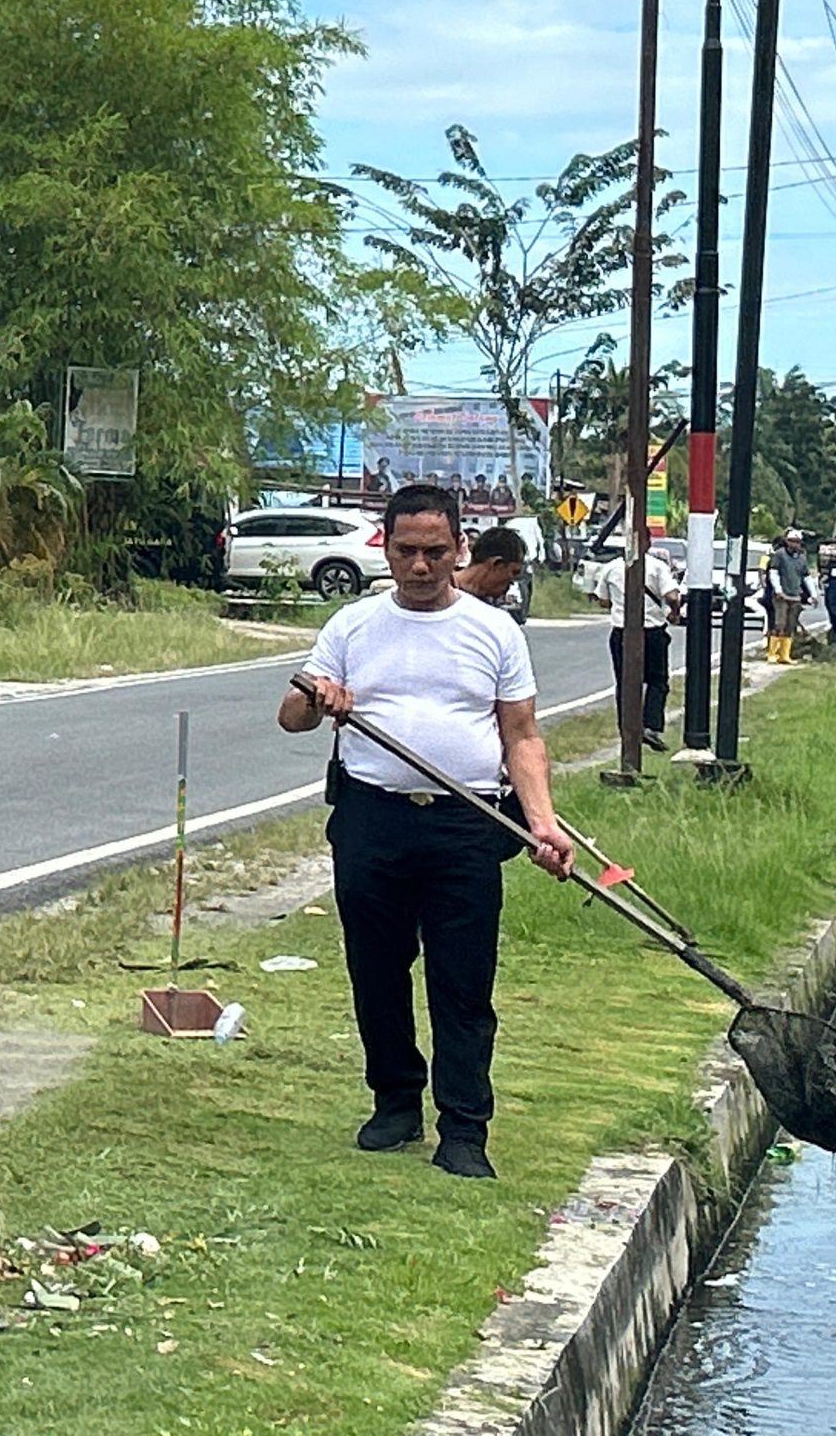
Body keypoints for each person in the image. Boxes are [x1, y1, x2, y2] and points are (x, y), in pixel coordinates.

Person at [277, 482, 575, 1182]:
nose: (419, 565)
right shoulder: (352, 625)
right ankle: (395, 1101)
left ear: (459, 549)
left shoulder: (494, 631)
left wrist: (542, 823)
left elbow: (521, 736)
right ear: (385, 547)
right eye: (406, 550)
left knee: (462, 980)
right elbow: (291, 715)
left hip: (466, 822)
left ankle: (464, 1128)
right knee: (376, 969)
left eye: (435, 552)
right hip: (371, 817)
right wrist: (319, 700)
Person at [596, 542, 683, 749]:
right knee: (657, 681)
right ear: (648, 544)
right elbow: (672, 596)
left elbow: (602, 599)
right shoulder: (657, 566)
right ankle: (650, 726)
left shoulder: (611, 568)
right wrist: (674, 612)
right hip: (652, 631)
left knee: (624, 682)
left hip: (622, 631)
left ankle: (626, 729)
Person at [764, 529, 813, 664]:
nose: (794, 544)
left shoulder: (802, 558)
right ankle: (772, 653)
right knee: (779, 624)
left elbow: (806, 577)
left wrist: (813, 594)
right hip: (781, 595)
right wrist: (778, 590)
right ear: (787, 541)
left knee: (790, 626)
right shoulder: (779, 555)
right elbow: (773, 573)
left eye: (797, 542)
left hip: (795, 595)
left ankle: (784, 655)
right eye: (792, 541)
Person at [455, 525, 529, 612]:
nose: (512, 583)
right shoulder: (442, 591)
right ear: (497, 563)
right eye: (514, 572)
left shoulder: (489, 611)